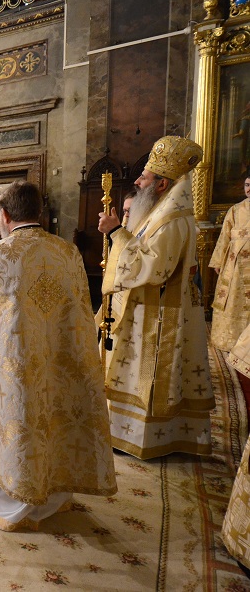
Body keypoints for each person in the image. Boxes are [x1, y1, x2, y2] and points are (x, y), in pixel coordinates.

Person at [0, 180, 117, 531]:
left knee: (17, 417)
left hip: (19, 362)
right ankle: (54, 491)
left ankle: (14, 495)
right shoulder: (67, 251)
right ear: (38, 212)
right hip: (60, 355)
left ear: (5, 214)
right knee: (54, 414)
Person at [97, 136, 214, 459]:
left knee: (148, 375)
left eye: (144, 177)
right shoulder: (160, 214)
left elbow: (152, 267)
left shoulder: (172, 220)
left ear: (161, 185)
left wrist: (115, 232)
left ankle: (148, 439)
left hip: (159, 314)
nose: (137, 181)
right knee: (133, 373)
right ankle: (126, 433)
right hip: (151, 308)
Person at [209, 172, 250, 352]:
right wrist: (218, 261)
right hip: (235, 265)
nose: (249, 189)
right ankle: (230, 339)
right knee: (232, 301)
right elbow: (224, 237)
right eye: (248, 185)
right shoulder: (235, 209)